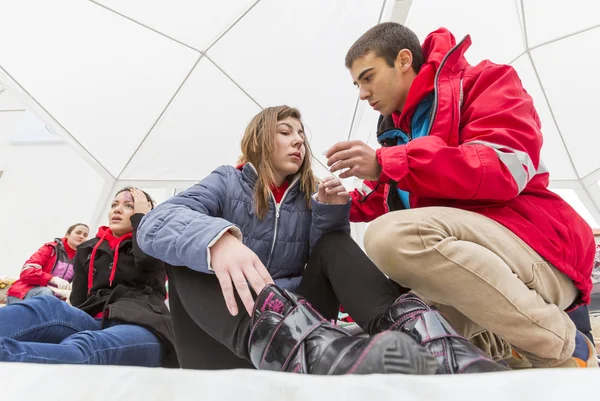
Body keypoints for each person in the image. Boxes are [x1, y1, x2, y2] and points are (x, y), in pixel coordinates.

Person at [137, 105, 505, 375]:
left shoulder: (309, 195)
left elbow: (333, 270)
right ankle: (312, 350)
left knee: (333, 245)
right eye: (285, 131)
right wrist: (219, 242)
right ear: (260, 139)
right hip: (225, 340)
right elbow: (154, 224)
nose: (298, 140)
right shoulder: (226, 181)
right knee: (188, 249)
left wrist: (329, 215)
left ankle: (429, 344)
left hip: (309, 338)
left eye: (301, 135)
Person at [324, 22, 597, 368]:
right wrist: (339, 202)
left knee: (390, 236)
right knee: (411, 336)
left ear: (404, 60)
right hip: (477, 264)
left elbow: (500, 169)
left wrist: (386, 162)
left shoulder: (486, 83)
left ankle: (565, 343)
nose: (362, 93)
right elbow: (397, 193)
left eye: (367, 77)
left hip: (536, 251)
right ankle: (508, 353)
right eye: (357, 84)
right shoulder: (396, 134)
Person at [0, 188, 175, 367]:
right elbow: (79, 299)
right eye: (114, 204)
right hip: (93, 320)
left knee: (87, 344)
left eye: (129, 206)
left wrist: (142, 221)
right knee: (47, 306)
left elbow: (149, 262)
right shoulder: (88, 249)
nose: (117, 209)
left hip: (143, 324)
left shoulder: (157, 241)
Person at [6, 223, 89, 304]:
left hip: (53, 299)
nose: (81, 236)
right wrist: (52, 279)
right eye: (78, 233)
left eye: (85, 235)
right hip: (24, 294)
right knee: (47, 294)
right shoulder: (50, 249)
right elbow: (26, 272)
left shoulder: (82, 259)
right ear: (67, 235)